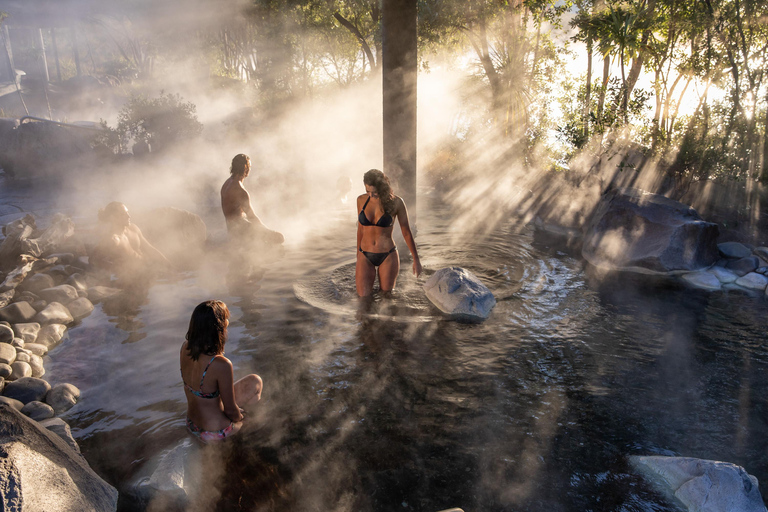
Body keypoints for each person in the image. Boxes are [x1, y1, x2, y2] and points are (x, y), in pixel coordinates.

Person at [180, 300, 263, 443]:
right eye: (226, 322)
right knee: (254, 420)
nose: (228, 325)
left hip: (191, 424)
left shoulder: (185, 348)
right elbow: (231, 411)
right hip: (215, 432)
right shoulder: (221, 364)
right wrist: (242, 419)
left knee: (254, 381)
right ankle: (241, 437)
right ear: (218, 329)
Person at [356, 169, 422, 297]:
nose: (371, 195)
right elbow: (360, 229)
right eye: (367, 191)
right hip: (365, 254)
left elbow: (406, 232)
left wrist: (416, 260)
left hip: (387, 255)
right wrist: (358, 254)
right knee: (362, 300)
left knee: (386, 299)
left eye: (374, 192)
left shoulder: (397, 202)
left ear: (382, 187)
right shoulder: (360, 200)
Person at [90, 201, 173, 279]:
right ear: (113, 218)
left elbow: (150, 249)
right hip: (131, 278)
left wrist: (170, 266)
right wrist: (115, 269)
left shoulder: (133, 228)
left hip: (146, 269)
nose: (128, 216)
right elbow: (93, 260)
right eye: (123, 214)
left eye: (127, 212)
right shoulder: (114, 239)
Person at [221, 154, 284, 245]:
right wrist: (268, 232)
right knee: (280, 238)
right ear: (245, 167)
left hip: (232, 229)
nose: (250, 169)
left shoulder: (226, 183)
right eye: (249, 166)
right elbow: (252, 216)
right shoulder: (240, 190)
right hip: (242, 230)